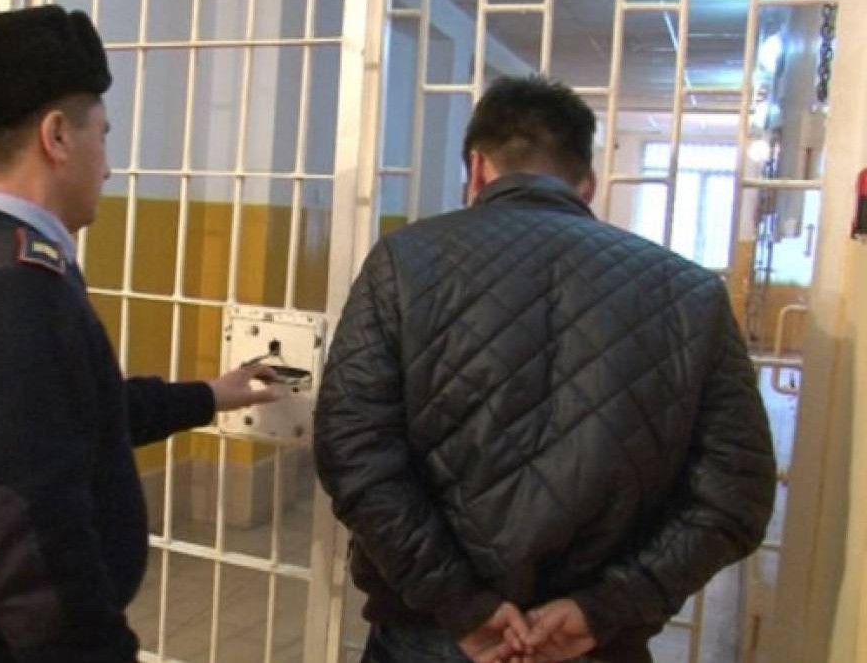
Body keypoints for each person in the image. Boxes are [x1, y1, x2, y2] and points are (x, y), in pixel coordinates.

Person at [313, 76, 776, 663]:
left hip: (431, 633)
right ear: (588, 184)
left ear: (477, 169)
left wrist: (459, 601)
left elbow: (352, 451)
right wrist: (608, 605)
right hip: (595, 643)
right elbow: (737, 494)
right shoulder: (690, 293)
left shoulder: (403, 263)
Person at [0, 6, 277, 663]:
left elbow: (69, 417)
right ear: (57, 136)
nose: (107, 167)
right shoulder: (16, 288)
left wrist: (211, 394)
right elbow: (25, 530)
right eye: (102, 137)